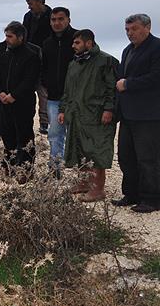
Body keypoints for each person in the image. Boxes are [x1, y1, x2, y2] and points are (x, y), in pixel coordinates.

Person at [58, 29, 118, 202]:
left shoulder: (105, 61)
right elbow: (67, 90)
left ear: (89, 43)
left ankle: (97, 189)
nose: (73, 46)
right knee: (79, 147)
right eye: (73, 43)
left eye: (77, 43)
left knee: (96, 150)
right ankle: (83, 183)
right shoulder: (74, 63)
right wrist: (63, 109)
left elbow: (111, 88)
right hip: (77, 113)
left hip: (97, 114)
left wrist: (109, 109)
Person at [113, 14, 160, 213]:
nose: (129, 33)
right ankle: (131, 193)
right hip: (128, 113)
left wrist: (128, 84)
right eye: (127, 29)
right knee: (126, 156)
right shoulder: (127, 50)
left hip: (148, 114)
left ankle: (152, 198)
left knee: (148, 158)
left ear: (147, 28)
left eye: (134, 29)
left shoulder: (157, 47)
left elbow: (156, 77)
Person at [0, 21, 41, 172]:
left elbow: (30, 79)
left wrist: (14, 95)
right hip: (4, 102)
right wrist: (1, 92)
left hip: (23, 103)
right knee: (7, 134)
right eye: (6, 36)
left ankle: (26, 169)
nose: (7, 39)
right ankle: (9, 166)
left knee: (24, 136)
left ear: (20, 37)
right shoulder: (3, 53)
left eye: (10, 36)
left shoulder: (31, 54)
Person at [40, 7, 77, 174]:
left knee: (78, 136)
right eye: (53, 20)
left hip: (77, 98)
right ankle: (55, 170)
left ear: (68, 19)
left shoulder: (78, 39)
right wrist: (45, 83)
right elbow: (43, 67)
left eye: (60, 19)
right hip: (54, 97)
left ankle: (83, 175)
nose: (57, 23)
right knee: (55, 134)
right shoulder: (47, 43)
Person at [23, 0, 53, 134]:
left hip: (46, 59)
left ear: (40, 2)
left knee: (43, 92)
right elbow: (24, 35)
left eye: (30, 4)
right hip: (30, 57)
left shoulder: (52, 16)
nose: (29, 7)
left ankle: (44, 123)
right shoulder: (28, 17)